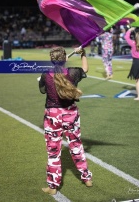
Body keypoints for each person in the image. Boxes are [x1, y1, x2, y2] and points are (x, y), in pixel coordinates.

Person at [39, 46, 92, 195]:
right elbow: (85, 69)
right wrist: (83, 54)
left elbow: (42, 89)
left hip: (52, 115)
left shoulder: (46, 74)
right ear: (65, 59)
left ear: (51, 60)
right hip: (70, 113)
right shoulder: (73, 72)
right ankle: (86, 178)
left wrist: (43, 78)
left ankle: (53, 186)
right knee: (76, 146)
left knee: (53, 152)